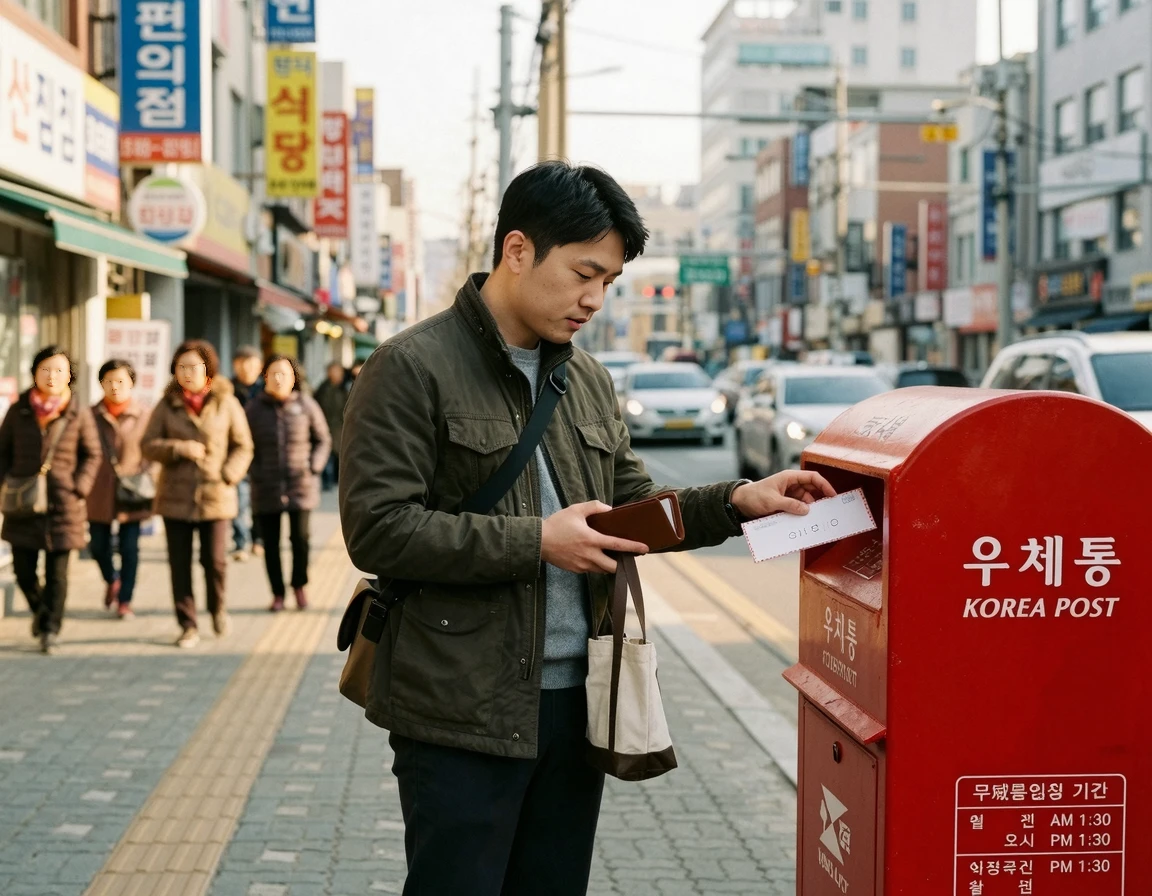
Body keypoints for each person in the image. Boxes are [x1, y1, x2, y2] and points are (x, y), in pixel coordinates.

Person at [338, 161, 835, 896]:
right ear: (517, 251)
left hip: (578, 701)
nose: (595, 299)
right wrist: (537, 541)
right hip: (459, 705)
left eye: (608, 282)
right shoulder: (411, 368)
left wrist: (738, 500)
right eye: (584, 273)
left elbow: (631, 501)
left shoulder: (585, 378)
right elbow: (379, 530)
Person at [143, 340, 254, 649]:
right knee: (179, 564)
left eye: (194, 366)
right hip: (175, 497)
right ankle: (187, 624)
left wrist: (228, 475)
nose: (187, 373)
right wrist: (179, 448)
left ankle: (218, 608)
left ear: (208, 369)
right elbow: (147, 444)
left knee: (215, 561)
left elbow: (243, 445)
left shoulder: (225, 401)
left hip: (216, 495)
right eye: (181, 367)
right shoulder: (166, 405)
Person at [0, 346, 101, 654]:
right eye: (45, 369)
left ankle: (50, 629)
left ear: (69, 376)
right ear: (34, 374)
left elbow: (92, 454)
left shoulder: (78, 412)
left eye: (59, 370)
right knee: (23, 570)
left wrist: (79, 487)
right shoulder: (19, 410)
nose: (52, 376)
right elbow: (2, 452)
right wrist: (5, 484)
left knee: (58, 573)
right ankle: (41, 612)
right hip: (23, 503)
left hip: (63, 503)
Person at [245, 355, 331, 612]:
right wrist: (253, 471)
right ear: (265, 377)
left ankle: (299, 586)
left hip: (300, 484)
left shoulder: (306, 405)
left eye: (285, 373)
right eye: (274, 373)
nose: (279, 378)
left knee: (301, 539)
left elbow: (323, 439)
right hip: (266, 485)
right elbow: (242, 443)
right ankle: (277, 593)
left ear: (294, 378)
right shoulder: (254, 409)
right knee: (270, 543)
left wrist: (313, 467)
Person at [88, 359, 154, 621]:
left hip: (133, 491)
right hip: (98, 491)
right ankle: (112, 579)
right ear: (101, 383)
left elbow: (152, 450)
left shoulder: (145, 415)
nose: (115, 387)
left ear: (132, 384)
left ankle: (125, 600)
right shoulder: (90, 416)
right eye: (109, 381)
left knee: (129, 548)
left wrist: (148, 475)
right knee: (97, 545)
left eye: (121, 381)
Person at [230, 345, 263, 561]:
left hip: (262, 453)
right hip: (236, 452)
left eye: (251, 364)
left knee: (260, 500)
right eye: (242, 363)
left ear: (260, 367)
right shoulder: (227, 389)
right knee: (239, 500)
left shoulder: (267, 389)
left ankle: (258, 540)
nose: (247, 369)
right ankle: (241, 541)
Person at [313, 362, 348, 491]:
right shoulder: (322, 389)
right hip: (325, 427)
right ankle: (326, 482)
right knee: (327, 456)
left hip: (340, 428)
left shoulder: (345, 389)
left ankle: (335, 480)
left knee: (338, 456)